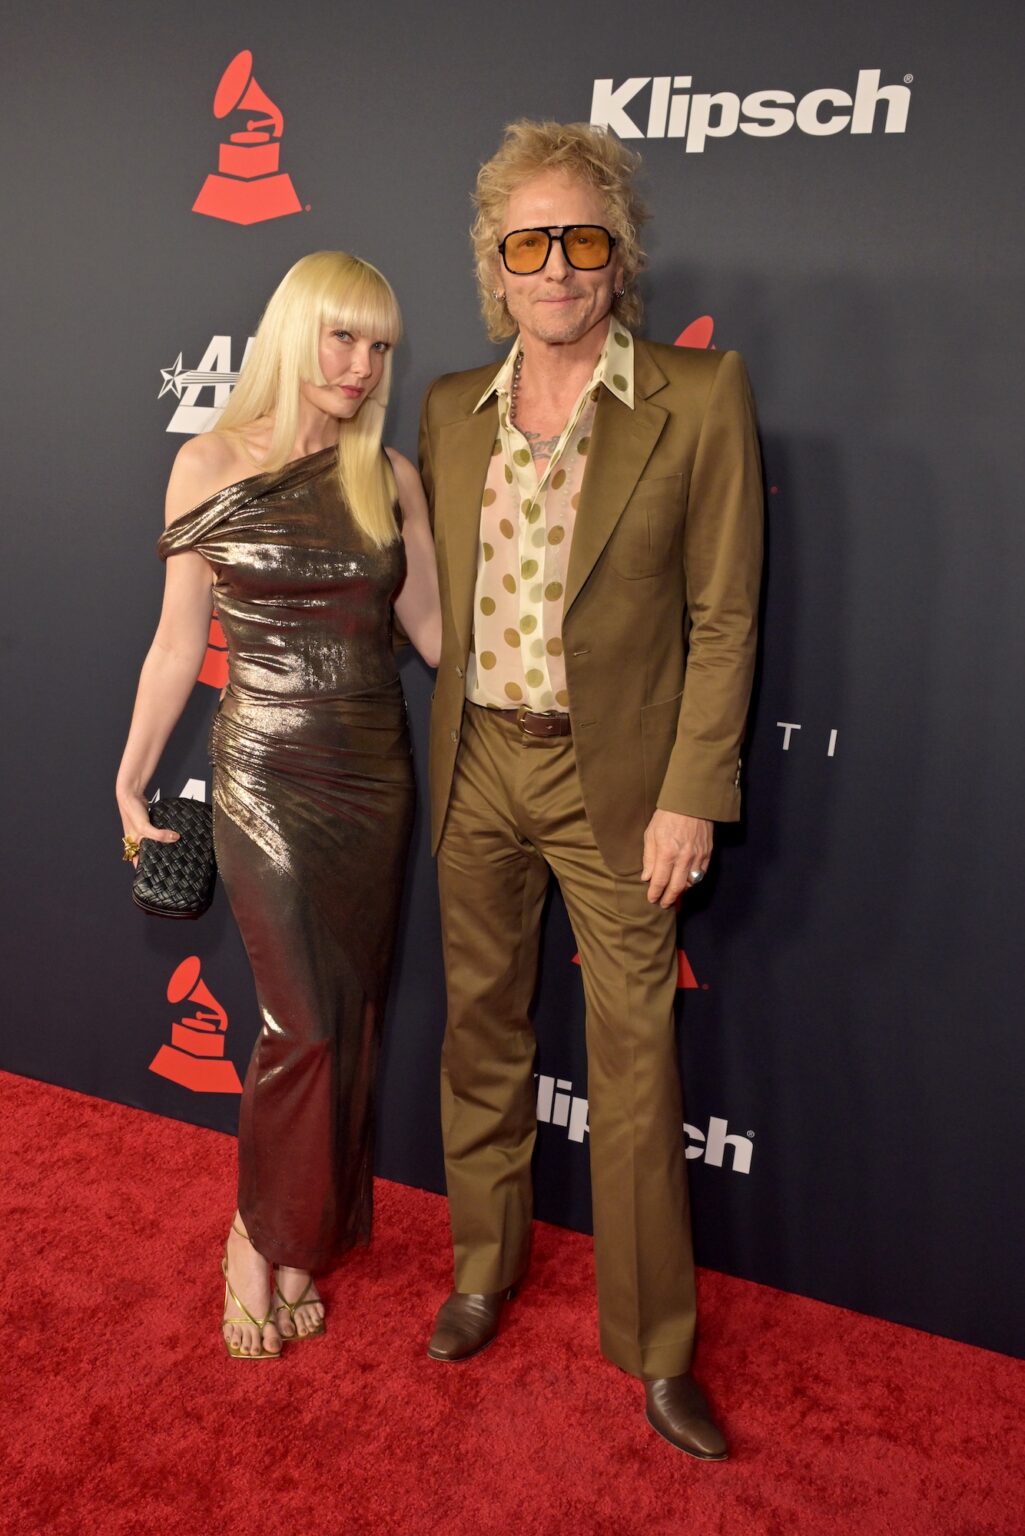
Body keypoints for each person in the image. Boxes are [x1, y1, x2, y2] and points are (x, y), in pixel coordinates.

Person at [418, 122, 762, 1457]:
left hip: (618, 782)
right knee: (481, 1036)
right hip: (476, 762)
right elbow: (431, 596)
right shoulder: (450, 407)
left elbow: (723, 619)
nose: (553, 267)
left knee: (633, 1066)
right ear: (494, 266)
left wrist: (692, 792)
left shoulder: (699, 393)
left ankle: (655, 1350)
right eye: (526, 244)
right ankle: (481, 1268)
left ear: (619, 258)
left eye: (581, 239)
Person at [117, 250, 440, 1359]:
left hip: (372, 772)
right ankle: (255, 1237)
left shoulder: (388, 476)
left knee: (348, 1020)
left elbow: (442, 637)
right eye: (341, 338)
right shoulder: (207, 462)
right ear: (293, 334)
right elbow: (175, 640)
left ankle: (308, 1230)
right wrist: (131, 767)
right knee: (298, 1021)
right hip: (262, 771)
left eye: (380, 346)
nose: (359, 366)